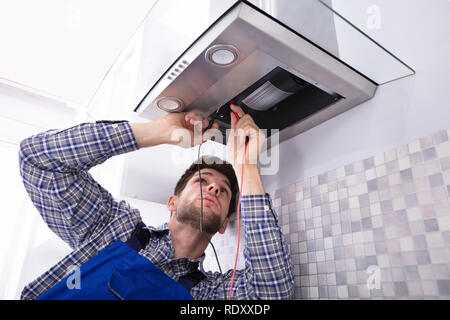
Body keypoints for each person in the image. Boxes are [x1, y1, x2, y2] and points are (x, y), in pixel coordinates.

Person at [18, 103, 294, 300]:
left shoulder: (207, 294)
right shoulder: (111, 229)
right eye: (202, 180)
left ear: (223, 225)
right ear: (171, 202)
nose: (214, 187)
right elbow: (38, 161)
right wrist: (158, 131)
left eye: (224, 190)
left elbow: (272, 294)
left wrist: (246, 167)